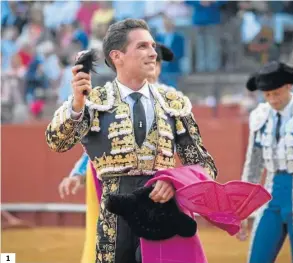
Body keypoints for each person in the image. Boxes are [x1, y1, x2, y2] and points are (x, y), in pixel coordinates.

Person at [46, 18, 217, 263]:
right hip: (113, 223)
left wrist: (175, 182)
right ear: (117, 56)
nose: (152, 53)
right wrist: (75, 105)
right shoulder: (92, 102)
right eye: (142, 47)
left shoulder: (173, 103)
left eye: (152, 46)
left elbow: (205, 166)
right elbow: (56, 143)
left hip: (162, 212)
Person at [57, 42, 184, 263]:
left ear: (159, 67)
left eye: (154, 63)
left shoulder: (172, 100)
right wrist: (77, 174)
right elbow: (99, 145)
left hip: (158, 182)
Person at [237, 61, 293, 263]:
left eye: (276, 93)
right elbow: (253, 165)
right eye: (267, 95)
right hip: (271, 195)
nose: (272, 100)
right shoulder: (261, 116)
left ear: (289, 86)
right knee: (257, 258)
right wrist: (242, 209)